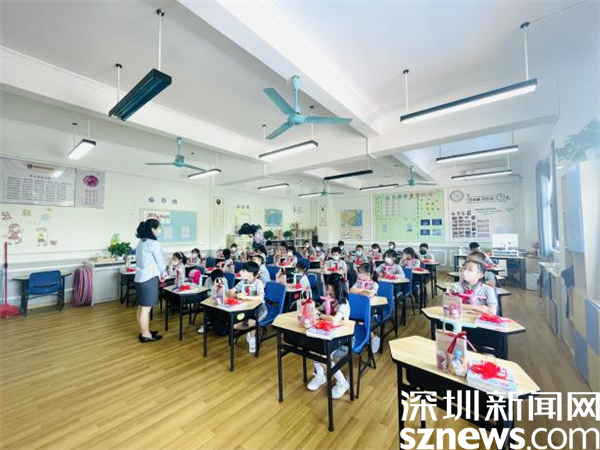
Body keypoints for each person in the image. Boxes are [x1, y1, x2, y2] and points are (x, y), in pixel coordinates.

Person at [307, 274, 351, 399]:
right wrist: (314, 310)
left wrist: (319, 315)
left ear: (335, 288)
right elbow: (320, 308)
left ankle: (343, 382)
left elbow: (335, 319)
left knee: (322, 356)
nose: (326, 290)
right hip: (327, 333)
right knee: (312, 348)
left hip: (341, 337)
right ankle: (320, 376)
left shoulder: (343, 304)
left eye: (328, 287)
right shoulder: (330, 300)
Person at [134, 219, 164, 343]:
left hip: (140, 278)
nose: (159, 230)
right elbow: (159, 261)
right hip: (149, 278)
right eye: (158, 228)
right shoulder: (153, 243)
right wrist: (163, 273)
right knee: (146, 309)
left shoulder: (141, 242)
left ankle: (143, 330)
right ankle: (146, 335)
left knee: (141, 307)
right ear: (153, 229)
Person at [228, 262, 266, 353]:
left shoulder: (258, 283)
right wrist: (237, 295)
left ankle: (252, 340)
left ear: (251, 273)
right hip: (246, 308)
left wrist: (246, 297)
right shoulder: (243, 281)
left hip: (259, 308)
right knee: (235, 325)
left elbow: (260, 298)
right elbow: (230, 293)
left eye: (244, 271)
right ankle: (249, 332)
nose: (241, 272)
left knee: (251, 322)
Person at [350, 263, 382, 353]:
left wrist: (359, 291)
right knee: (354, 320)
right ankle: (355, 338)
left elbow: (370, 294)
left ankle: (373, 338)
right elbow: (351, 290)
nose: (359, 274)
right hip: (356, 307)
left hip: (369, 309)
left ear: (368, 274)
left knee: (361, 322)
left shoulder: (375, 284)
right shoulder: (358, 282)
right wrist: (363, 291)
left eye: (361, 272)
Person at [197, 269, 229, 334]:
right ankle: (207, 324)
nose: (214, 282)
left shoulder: (224, 280)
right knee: (208, 306)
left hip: (221, 299)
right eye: (213, 280)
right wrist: (212, 294)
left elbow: (227, 292)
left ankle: (216, 323)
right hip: (210, 299)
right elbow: (205, 291)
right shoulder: (208, 280)